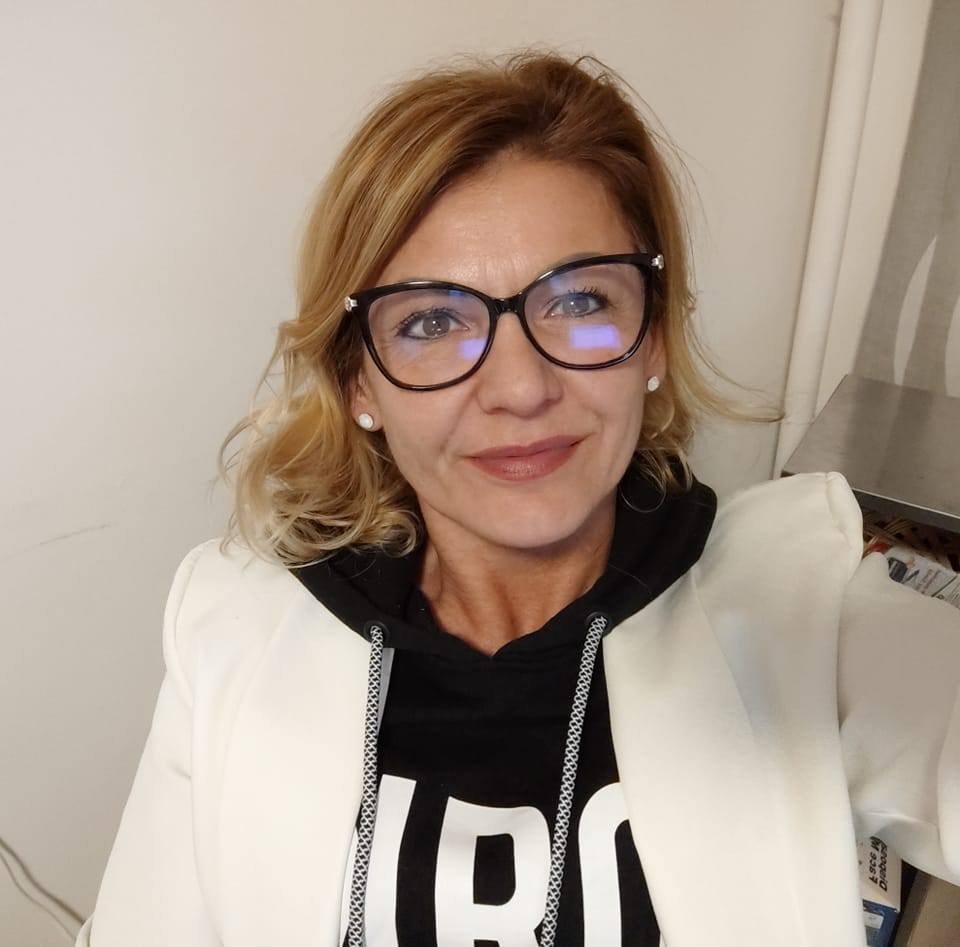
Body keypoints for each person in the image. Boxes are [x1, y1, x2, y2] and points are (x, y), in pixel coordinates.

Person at [75, 49, 960, 947]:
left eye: (578, 302)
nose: (521, 387)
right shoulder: (231, 627)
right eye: (432, 320)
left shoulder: (805, 619)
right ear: (358, 383)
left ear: (655, 335)